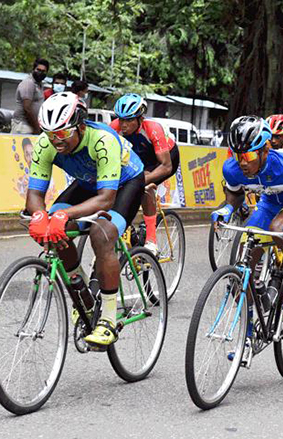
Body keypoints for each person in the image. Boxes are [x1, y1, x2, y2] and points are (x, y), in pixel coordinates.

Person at [26, 92, 145, 348]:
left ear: (80, 126)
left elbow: (105, 200)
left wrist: (64, 213)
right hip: (88, 182)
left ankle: (109, 320)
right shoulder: (46, 143)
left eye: (62, 134)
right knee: (54, 230)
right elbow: (34, 194)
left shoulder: (103, 140)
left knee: (101, 234)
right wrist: (39, 216)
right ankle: (83, 294)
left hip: (124, 184)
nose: (56, 141)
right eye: (50, 133)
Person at [211, 116, 283, 312]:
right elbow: (235, 193)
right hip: (269, 203)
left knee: (278, 228)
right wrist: (227, 209)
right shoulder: (232, 169)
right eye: (237, 155)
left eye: (247, 157)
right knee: (243, 266)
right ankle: (248, 332)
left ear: (265, 151)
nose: (242, 163)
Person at [110, 94, 180, 255]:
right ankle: (128, 229)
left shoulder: (152, 129)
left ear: (140, 119)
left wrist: (139, 180)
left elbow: (166, 166)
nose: (123, 124)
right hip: (138, 159)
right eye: (120, 119)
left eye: (129, 120)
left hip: (164, 159)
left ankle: (151, 240)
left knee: (145, 187)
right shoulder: (114, 128)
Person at [12, 58, 48, 134]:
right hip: (23, 125)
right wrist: (36, 128)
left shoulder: (39, 84)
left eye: (43, 71)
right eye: (38, 70)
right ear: (33, 69)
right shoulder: (29, 83)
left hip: (31, 125)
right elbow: (27, 108)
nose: (40, 73)